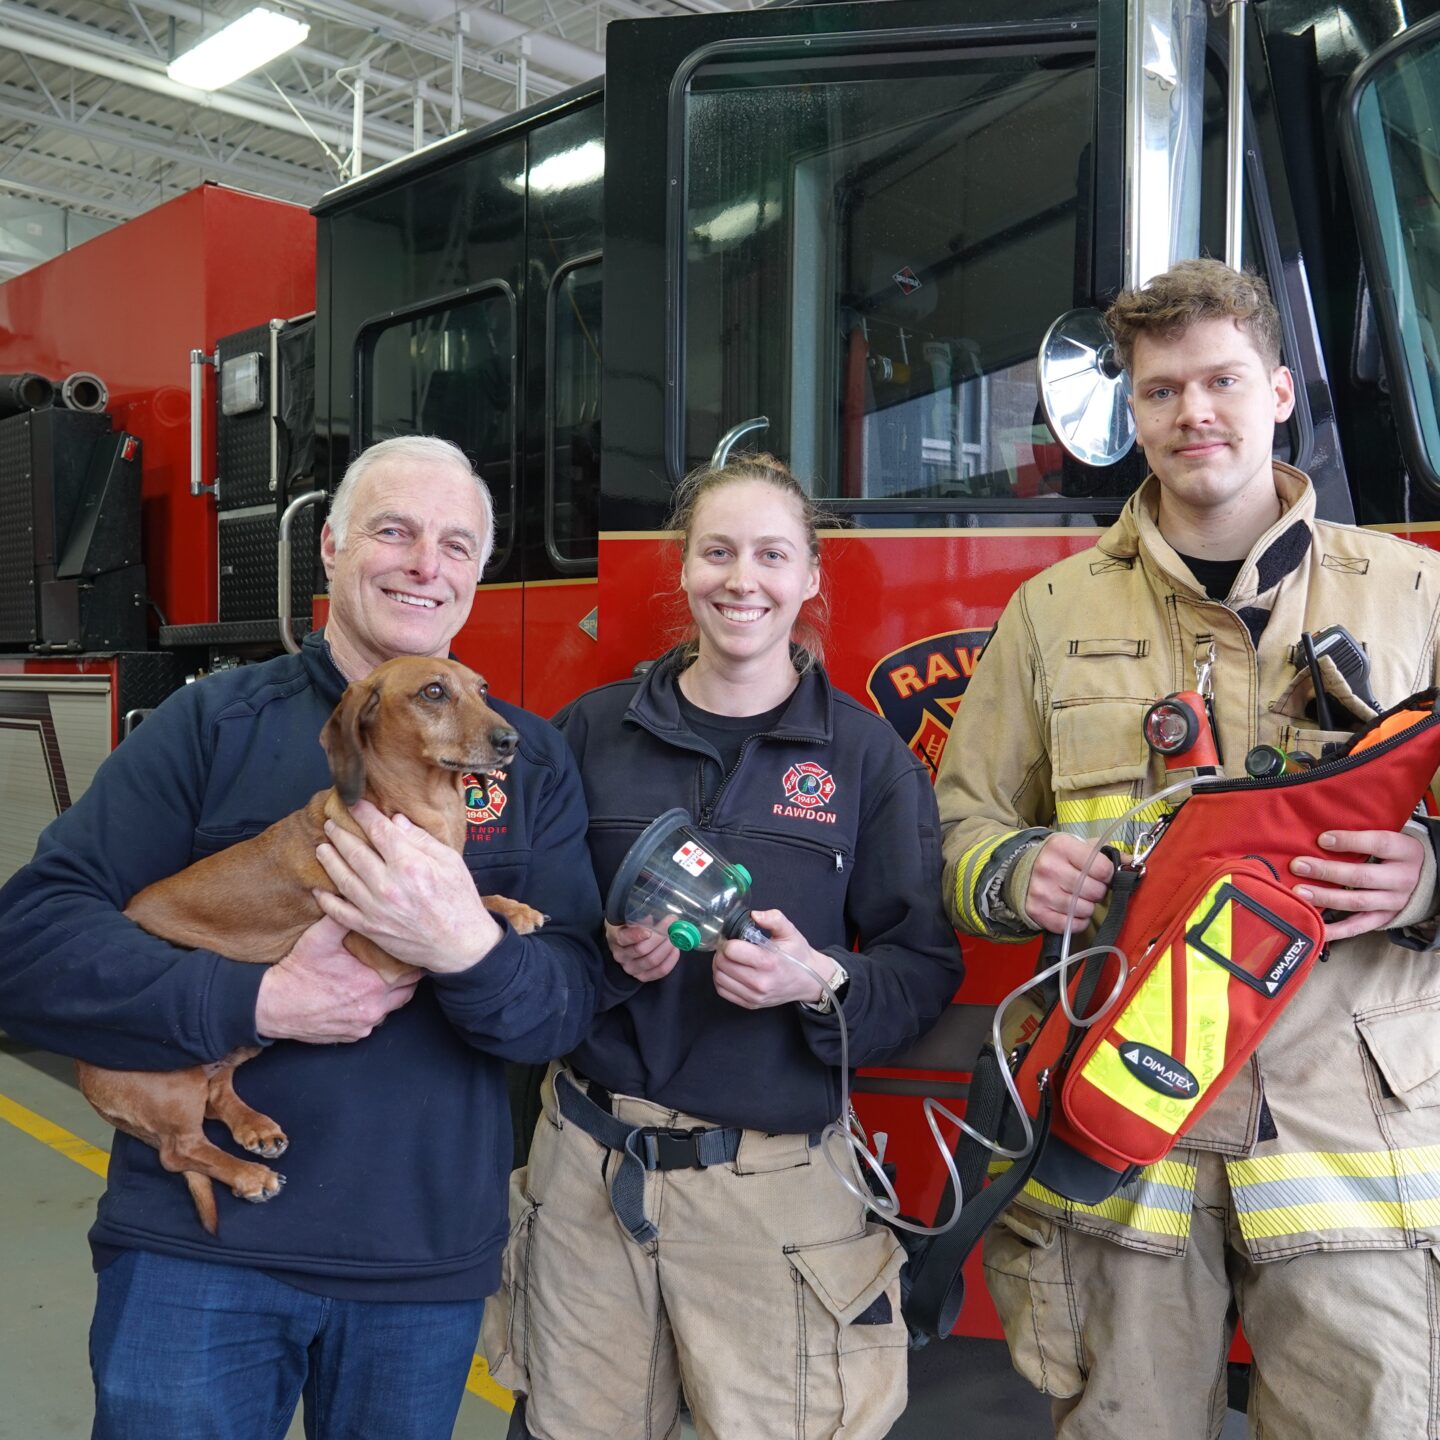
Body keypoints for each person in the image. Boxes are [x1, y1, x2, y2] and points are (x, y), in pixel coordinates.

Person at [0, 434, 604, 1440]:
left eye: (456, 544)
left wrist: (469, 947)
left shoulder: (525, 757)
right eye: (394, 531)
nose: (426, 564)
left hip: (421, 1269)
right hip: (197, 1263)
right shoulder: (209, 725)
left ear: (477, 573)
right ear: (329, 547)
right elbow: (26, 948)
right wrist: (256, 1001)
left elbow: (566, 1008)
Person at [936, 258, 1440, 1439]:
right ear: (1133, 410)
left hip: (1351, 1135)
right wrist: (1016, 874)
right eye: (1160, 391)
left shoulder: (1416, 594)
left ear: (1279, 392)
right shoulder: (1052, 613)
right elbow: (959, 829)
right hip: (1124, 1140)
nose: (1191, 413)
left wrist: (1430, 878)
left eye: (1221, 381)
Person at [483, 454, 964, 1440]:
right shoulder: (588, 734)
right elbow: (524, 938)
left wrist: (819, 980)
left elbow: (924, 970)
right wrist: (610, 961)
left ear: (811, 576)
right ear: (684, 569)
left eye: (772, 555)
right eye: (718, 552)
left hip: (775, 1199)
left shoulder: (867, 759)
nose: (743, 580)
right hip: (587, 1176)